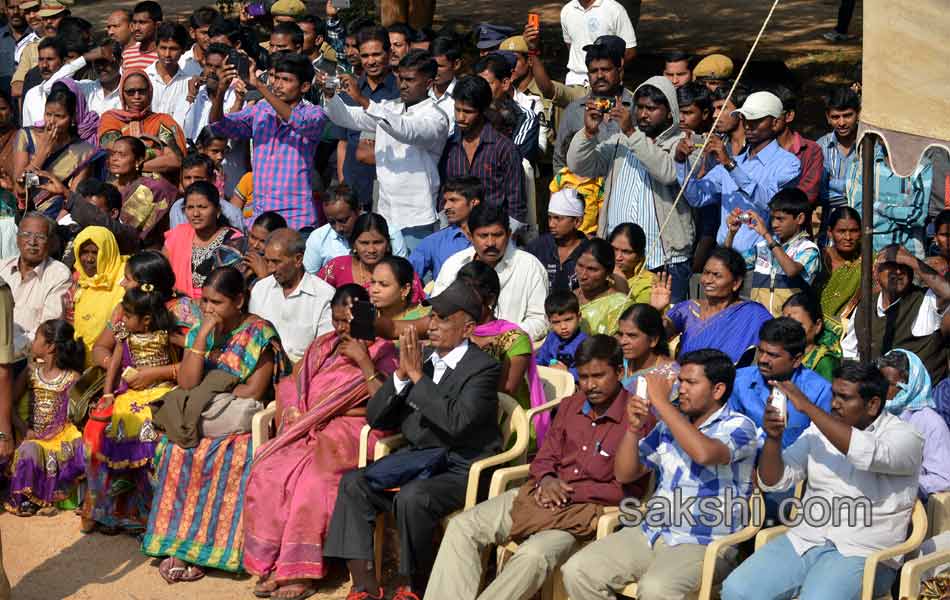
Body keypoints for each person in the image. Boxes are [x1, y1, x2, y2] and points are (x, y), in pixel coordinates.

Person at [425, 335, 654, 600]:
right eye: (583, 377)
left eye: (598, 376)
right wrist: (546, 479)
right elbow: (545, 456)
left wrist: (569, 493)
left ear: (619, 371)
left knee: (533, 555)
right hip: (539, 495)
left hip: (584, 514)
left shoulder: (637, 418)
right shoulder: (571, 405)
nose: (590, 385)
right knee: (463, 526)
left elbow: (628, 489)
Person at [324, 278, 502, 599]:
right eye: (432, 316)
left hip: (460, 469)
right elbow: (376, 418)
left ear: (467, 328)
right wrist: (400, 377)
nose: (433, 325)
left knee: (412, 497)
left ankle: (413, 585)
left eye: (444, 318)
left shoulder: (483, 368)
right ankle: (364, 586)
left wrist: (418, 376)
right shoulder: (425, 359)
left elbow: (456, 423)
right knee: (353, 484)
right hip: (418, 461)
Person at [561, 348, 758, 599]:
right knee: (578, 570)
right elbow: (625, 474)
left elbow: (704, 454)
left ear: (717, 390)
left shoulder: (740, 426)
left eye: (691, 383)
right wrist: (633, 430)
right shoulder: (669, 425)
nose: (682, 388)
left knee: (655, 590)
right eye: (681, 381)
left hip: (704, 542)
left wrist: (662, 403)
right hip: (652, 530)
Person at [243, 283, 398, 599]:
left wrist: (363, 362)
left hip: (354, 432)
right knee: (270, 470)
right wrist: (301, 413)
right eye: (338, 320)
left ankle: (300, 571)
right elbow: (293, 385)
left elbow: (386, 404)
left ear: (368, 316)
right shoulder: (323, 346)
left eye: (350, 321)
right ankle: (273, 563)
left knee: (313, 481)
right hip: (309, 427)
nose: (343, 328)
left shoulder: (383, 352)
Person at [720, 361, 924, 600]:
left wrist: (806, 407)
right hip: (806, 538)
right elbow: (773, 481)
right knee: (737, 591)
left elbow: (865, 454)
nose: (835, 404)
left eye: (844, 398)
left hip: (865, 552)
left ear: (873, 404)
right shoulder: (818, 432)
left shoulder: (906, 437)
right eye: (834, 395)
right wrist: (774, 439)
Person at [144, 266, 291, 582]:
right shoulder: (202, 329)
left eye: (216, 303)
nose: (208, 309)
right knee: (175, 451)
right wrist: (200, 341)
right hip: (205, 413)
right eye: (204, 302)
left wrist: (211, 390)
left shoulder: (259, 333)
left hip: (241, 420)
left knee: (227, 456)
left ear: (239, 301)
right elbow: (186, 382)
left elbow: (252, 390)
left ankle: (213, 550)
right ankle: (180, 545)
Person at [81, 250, 199, 535]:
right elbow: (100, 348)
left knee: (150, 432)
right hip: (127, 388)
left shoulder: (181, 310)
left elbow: (198, 358)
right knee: (98, 428)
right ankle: (111, 511)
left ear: (148, 283)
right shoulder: (124, 309)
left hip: (169, 389)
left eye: (129, 279)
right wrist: (120, 367)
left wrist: (156, 373)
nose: (122, 284)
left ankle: (153, 514)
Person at [569, 75, 695, 303]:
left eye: (652, 108)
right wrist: (588, 133)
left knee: (663, 327)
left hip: (664, 260)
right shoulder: (619, 141)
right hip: (617, 260)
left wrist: (631, 132)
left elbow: (668, 173)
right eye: (640, 108)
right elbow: (579, 165)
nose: (643, 114)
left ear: (670, 112)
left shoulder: (684, 142)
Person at [324, 50, 449, 252]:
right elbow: (347, 118)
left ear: (428, 83)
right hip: (386, 211)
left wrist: (363, 100)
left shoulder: (436, 117)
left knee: (415, 275)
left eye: (410, 79)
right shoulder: (390, 108)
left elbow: (407, 131)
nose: (403, 85)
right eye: (401, 78)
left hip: (417, 215)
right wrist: (330, 95)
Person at [86, 286, 177, 529]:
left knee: (150, 420)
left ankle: (151, 508)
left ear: (146, 320)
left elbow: (182, 357)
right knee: (124, 417)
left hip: (161, 390)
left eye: (127, 315)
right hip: (132, 392)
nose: (122, 319)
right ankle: (120, 500)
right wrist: (107, 393)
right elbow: (115, 363)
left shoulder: (164, 335)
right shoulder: (124, 336)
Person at [209, 52, 328, 230]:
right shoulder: (261, 110)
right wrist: (220, 91)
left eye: (286, 80)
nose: (278, 85)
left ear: (304, 86)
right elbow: (219, 126)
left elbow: (297, 121)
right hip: (261, 216)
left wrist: (260, 86)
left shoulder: (314, 114)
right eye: (277, 78)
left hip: (297, 218)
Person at [676, 90, 801, 253]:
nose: (749, 125)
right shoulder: (734, 162)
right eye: (746, 119)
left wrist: (729, 164)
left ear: (776, 123)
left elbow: (771, 203)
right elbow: (697, 197)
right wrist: (681, 162)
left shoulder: (788, 163)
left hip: (762, 259)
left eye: (756, 120)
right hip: (726, 255)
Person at [4, 318, 85, 515]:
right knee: (29, 450)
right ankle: (29, 499)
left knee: (75, 447)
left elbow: (77, 414)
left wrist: (63, 432)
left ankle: (62, 498)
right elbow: (9, 404)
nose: (33, 341)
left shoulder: (72, 377)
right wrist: (24, 430)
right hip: (33, 436)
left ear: (49, 347)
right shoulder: (31, 371)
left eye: (37, 337)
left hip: (60, 437)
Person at [434, 204, 549, 341]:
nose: (490, 243)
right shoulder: (453, 265)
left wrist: (500, 338)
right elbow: (438, 313)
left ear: (509, 234)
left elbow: (539, 321)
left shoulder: (530, 266)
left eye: (497, 235)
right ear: (470, 236)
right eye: (483, 236)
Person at [459, 261, 547, 436]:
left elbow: (504, 395)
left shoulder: (514, 339)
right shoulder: (455, 331)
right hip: (459, 417)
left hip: (504, 425)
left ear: (490, 299)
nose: (461, 302)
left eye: (469, 296)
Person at [843, 244, 949, 381]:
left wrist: (910, 260)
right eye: (891, 265)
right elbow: (850, 354)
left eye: (904, 266)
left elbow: (947, 294)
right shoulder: (865, 307)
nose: (898, 271)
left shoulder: (926, 300)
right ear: (876, 272)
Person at [728, 317, 832, 451]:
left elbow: (824, 444)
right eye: (761, 351)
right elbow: (728, 431)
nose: (763, 359)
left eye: (773, 355)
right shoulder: (739, 381)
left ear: (796, 359)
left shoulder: (820, 392)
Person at [654, 246, 772, 363]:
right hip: (687, 378)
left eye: (717, 275)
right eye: (706, 273)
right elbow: (657, 336)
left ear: (736, 283)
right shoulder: (688, 309)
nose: (707, 280)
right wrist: (656, 310)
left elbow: (778, 339)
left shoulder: (753, 314)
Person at [439, 75, 525, 228]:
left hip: (493, 234)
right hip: (455, 233)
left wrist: (503, 238)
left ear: (483, 110)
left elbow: (516, 203)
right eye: (457, 110)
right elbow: (442, 195)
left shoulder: (504, 148)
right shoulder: (449, 146)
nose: (460, 117)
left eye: (468, 112)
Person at [725, 188, 820, 316]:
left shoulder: (808, 249)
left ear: (800, 218)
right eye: (773, 218)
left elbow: (791, 270)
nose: (774, 224)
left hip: (789, 324)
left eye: (780, 219)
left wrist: (766, 235)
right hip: (760, 322)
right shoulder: (763, 247)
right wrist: (731, 233)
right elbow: (728, 263)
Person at [249, 228, 334, 363]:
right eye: (267, 261)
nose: (270, 269)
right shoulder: (261, 288)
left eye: (276, 262)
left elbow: (323, 351)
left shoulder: (324, 295)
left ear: (298, 259)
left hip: (303, 373)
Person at [14, 83, 95, 218]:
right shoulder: (26, 136)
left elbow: (73, 198)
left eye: (59, 116)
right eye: (48, 114)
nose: (51, 121)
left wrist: (56, 224)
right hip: (26, 211)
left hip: (57, 215)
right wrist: (43, 152)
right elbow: (21, 189)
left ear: (73, 118)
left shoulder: (83, 150)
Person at [877, 349, 950, 500]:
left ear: (909, 386)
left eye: (888, 384)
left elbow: (943, 479)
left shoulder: (930, 423)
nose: (881, 390)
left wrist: (897, 485)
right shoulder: (875, 413)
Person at [554, 36, 632, 173]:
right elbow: (560, 161)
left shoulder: (637, 107)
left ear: (619, 71)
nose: (600, 76)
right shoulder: (574, 111)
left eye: (606, 69)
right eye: (594, 71)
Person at [0, 212, 71, 358]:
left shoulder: (58, 275)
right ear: (17, 239)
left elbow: (48, 331)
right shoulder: (2, 268)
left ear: (50, 243)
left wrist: (8, 351)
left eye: (40, 237)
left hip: (25, 359)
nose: (32, 242)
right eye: (26, 234)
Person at [846, 140, 932, 258]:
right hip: (869, 254)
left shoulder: (922, 165)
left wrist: (879, 207)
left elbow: (918, 216)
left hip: (910, 254)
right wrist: (900, 214)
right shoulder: (862, 162)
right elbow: (857, 213)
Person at [98, 71, 187, 180]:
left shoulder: (163, 121)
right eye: (130, 92)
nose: (137, 96)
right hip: (118, 186)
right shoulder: (111, 118)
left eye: (142, 91)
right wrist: (156, 153)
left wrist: (135, 166)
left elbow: (175, 160)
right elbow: (114, 151)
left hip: (157, 188)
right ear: (122, 93)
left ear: (149, 92)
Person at [163, 180, 244, 299]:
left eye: (202, 207)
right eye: (190, 207)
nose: (195, 213)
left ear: (217, 211)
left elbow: (231, 286)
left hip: (216, 309)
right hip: (177, 306)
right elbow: (161, 271)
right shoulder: (178, 235)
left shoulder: (234, 240)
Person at [302, 184, 408, 274]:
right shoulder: (318, 238)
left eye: (343, 220)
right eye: (332, 222)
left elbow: (402, 273)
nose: (338, 228)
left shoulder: (390, 232)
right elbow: (309, 279)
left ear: (359, 210)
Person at [319, 212, 424, 302]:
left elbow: (415, 310)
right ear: (353, 244)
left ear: (388, 244)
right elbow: (316, 298)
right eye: (364, 243)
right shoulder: (336, 267)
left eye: (378, 242)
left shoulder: (403, 271)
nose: (371, 250)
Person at [105, 135, 178, 248]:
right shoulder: (105, 187)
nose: (114, 158)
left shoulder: (152, 188)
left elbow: (126, 230)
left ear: (138, 161)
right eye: (113, 154)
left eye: (122, 155)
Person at [69, 226, 127, 365]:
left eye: (95, 252)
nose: (89, 259)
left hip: (115, 364)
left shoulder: (125, 281)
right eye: (84, 252)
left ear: (108, 252)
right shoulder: (80, 282)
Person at [408, 175, 477, 282]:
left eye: (453, 200)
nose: (446, 207)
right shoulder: (434, 242)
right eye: (446, 201)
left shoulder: (492, 239)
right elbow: (406, 277)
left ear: (473, 203)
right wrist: (427, 298)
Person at [559, 0, 636, 87]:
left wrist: (609, 71)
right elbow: (571, 46)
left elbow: (630, 51)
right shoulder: (567, 10)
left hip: (605, 80)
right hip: (575, 79)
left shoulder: (614, 9)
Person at [526, 188, 589, 291]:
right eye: (550, 218)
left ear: (577, 222)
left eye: (558, 218)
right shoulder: (537, 248)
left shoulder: (589, 252)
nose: (551, 224)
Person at [771, 85, 823, 205]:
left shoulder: (812, 151)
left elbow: (807, 195)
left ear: (789, 116)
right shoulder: (756, 149)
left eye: (772, 114)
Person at [169, 153, 245, 231]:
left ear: (213, 179)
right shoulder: (177, 208)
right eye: (187, 178)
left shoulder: (231, 213)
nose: (192, 183)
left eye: (198, 178)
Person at [814, 206, 862, 329]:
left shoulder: (868, 261)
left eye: (854, 231)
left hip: (849, 331)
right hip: (813, 327)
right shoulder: (817, 257)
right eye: (841, 231)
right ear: (830, 232)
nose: (848, 237)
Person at [145, 22, 197, 127]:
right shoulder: (144, 77)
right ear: (156, 47)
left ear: (183, 50)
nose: (167, 54)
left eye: (173, 49)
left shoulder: (188, 83)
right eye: (163, 48)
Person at [782, 292, 841, 382]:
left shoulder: (824, 362)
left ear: (817, 326)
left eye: (798, 325)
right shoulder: (780, 356)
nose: (789, 331)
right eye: (785, 325)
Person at [817, 87, 860, 210]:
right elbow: (820, 194)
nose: (841, 123)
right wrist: (856, 192)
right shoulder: (821, 147)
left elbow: (876, 193)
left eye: (847, 116)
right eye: (836, 117)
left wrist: (832, 184)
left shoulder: (871, 146)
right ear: (828, 117)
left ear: (858, 113)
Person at [616, 302, 677, 389]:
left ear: (653, 340)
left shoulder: (670, 376)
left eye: (632, 335)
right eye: (621, 334)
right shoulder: (617, 364)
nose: (623, 341)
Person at [575, 238, 628, 336]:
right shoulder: (571, 297)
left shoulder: (620, 305)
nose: (583, 275)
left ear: (608, 273)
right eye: (580, 265)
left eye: (592, 269)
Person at [536, 289, 588, 381]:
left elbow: (587, 371)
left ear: (579, 317)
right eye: (556, 322)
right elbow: (541, 359)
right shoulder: (551, 338)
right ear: (549, 321)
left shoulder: (585, 343)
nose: (563, 327)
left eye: (568, 320)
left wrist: (568, 372)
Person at [370, 255, 429, 322]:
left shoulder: (425, 318)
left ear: (405, 290)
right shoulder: (365, 316)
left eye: (383, 284)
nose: (374, 290)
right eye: (372, 282)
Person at [609, 223, 654, 303]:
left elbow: (638, 314)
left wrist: (623, 286)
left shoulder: (649, 284)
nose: (618, 257)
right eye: (614, 249)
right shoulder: (600, 275)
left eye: (626, 252)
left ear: (640, 255)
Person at [241, 210, 286, 285]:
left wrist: (263, 275)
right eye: (253, 237)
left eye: (263, 241)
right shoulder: (237, 256)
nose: (255, 245)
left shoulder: (283, 268)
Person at [428, 35, 460, 133]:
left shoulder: (463, 96)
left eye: (440, 66)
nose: (434, 70)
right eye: (431, 65)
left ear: (456, 64)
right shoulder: (420, 92)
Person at [122, 1, 161, 72]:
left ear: (157, 25)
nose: (136, 28)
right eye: (134, 22)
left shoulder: (165, 55)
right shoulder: (127, 54)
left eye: (142, 22)